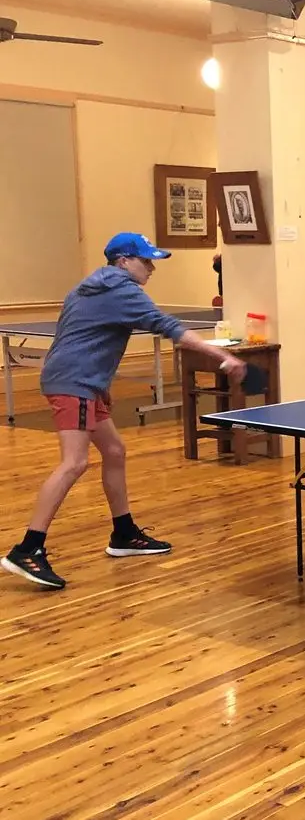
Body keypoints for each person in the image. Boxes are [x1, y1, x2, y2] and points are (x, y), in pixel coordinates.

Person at [1, 233, 249, 591]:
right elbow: (169, 328)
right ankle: (27, 549)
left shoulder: (87, 287)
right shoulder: (122, 289)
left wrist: (100, 387)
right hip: (75, 382)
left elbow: (79, 336)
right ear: (123, 261)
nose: (151, 268)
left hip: (80, 380)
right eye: (145, 261)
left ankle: (124, 533)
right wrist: (224, 356)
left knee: (115, 451)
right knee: (74, 463)